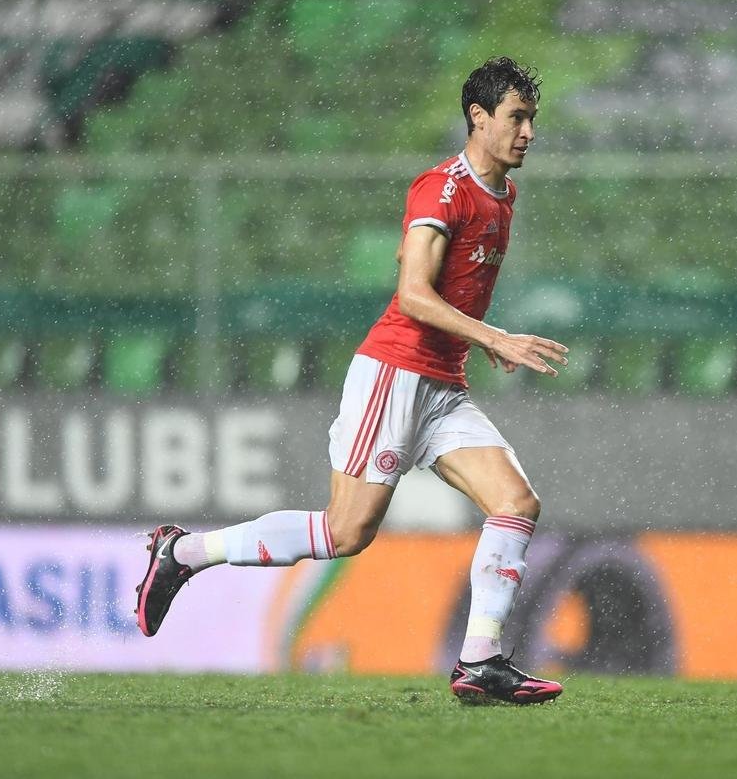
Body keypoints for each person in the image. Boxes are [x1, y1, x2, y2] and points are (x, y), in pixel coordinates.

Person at [135, 57, 568, 705]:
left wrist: (470, 334)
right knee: (346, 532)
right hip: (393, 375)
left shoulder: (503, 195)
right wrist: (493, 336)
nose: (529, 130)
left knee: (517, 502)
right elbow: (413, 294)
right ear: (478, 118)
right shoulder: (440, 188)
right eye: (517, 117)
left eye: (532, 118)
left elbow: (424, 262)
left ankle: (479, 660)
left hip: (443, 386)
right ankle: (184, 551)